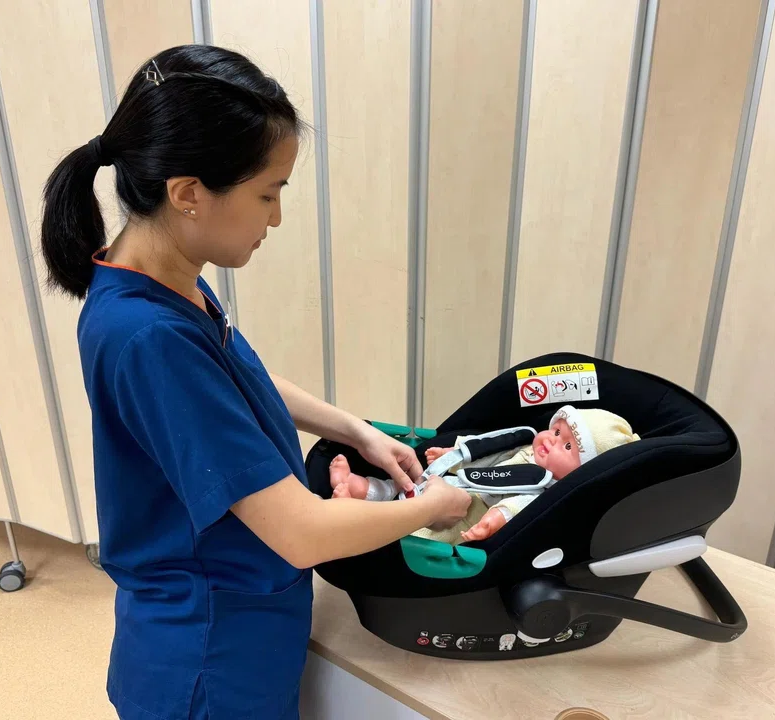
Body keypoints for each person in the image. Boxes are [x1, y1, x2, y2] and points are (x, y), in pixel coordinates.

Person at [39, 45, 472, 720]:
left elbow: (237, 373)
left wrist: (353, 429)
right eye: (267, 194)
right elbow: (298, 534)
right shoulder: (148, 335)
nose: (275, 217)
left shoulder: (162, 283)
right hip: (210, 660)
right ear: (187, 194)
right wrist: (431, 507)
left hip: (233, 632)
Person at [328, 405, 640, 543]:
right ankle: (362, 488)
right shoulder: (524, 448)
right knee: (405, 484)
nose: (551, 440)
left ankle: (359, 511)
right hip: (446, 483)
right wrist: (453, 455)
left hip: (465, 514)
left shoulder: (548, 490)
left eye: (568, 445)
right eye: (556, 430)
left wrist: (495, 520)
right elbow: (488, 456)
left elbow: (520, 508)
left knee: (412, 521)